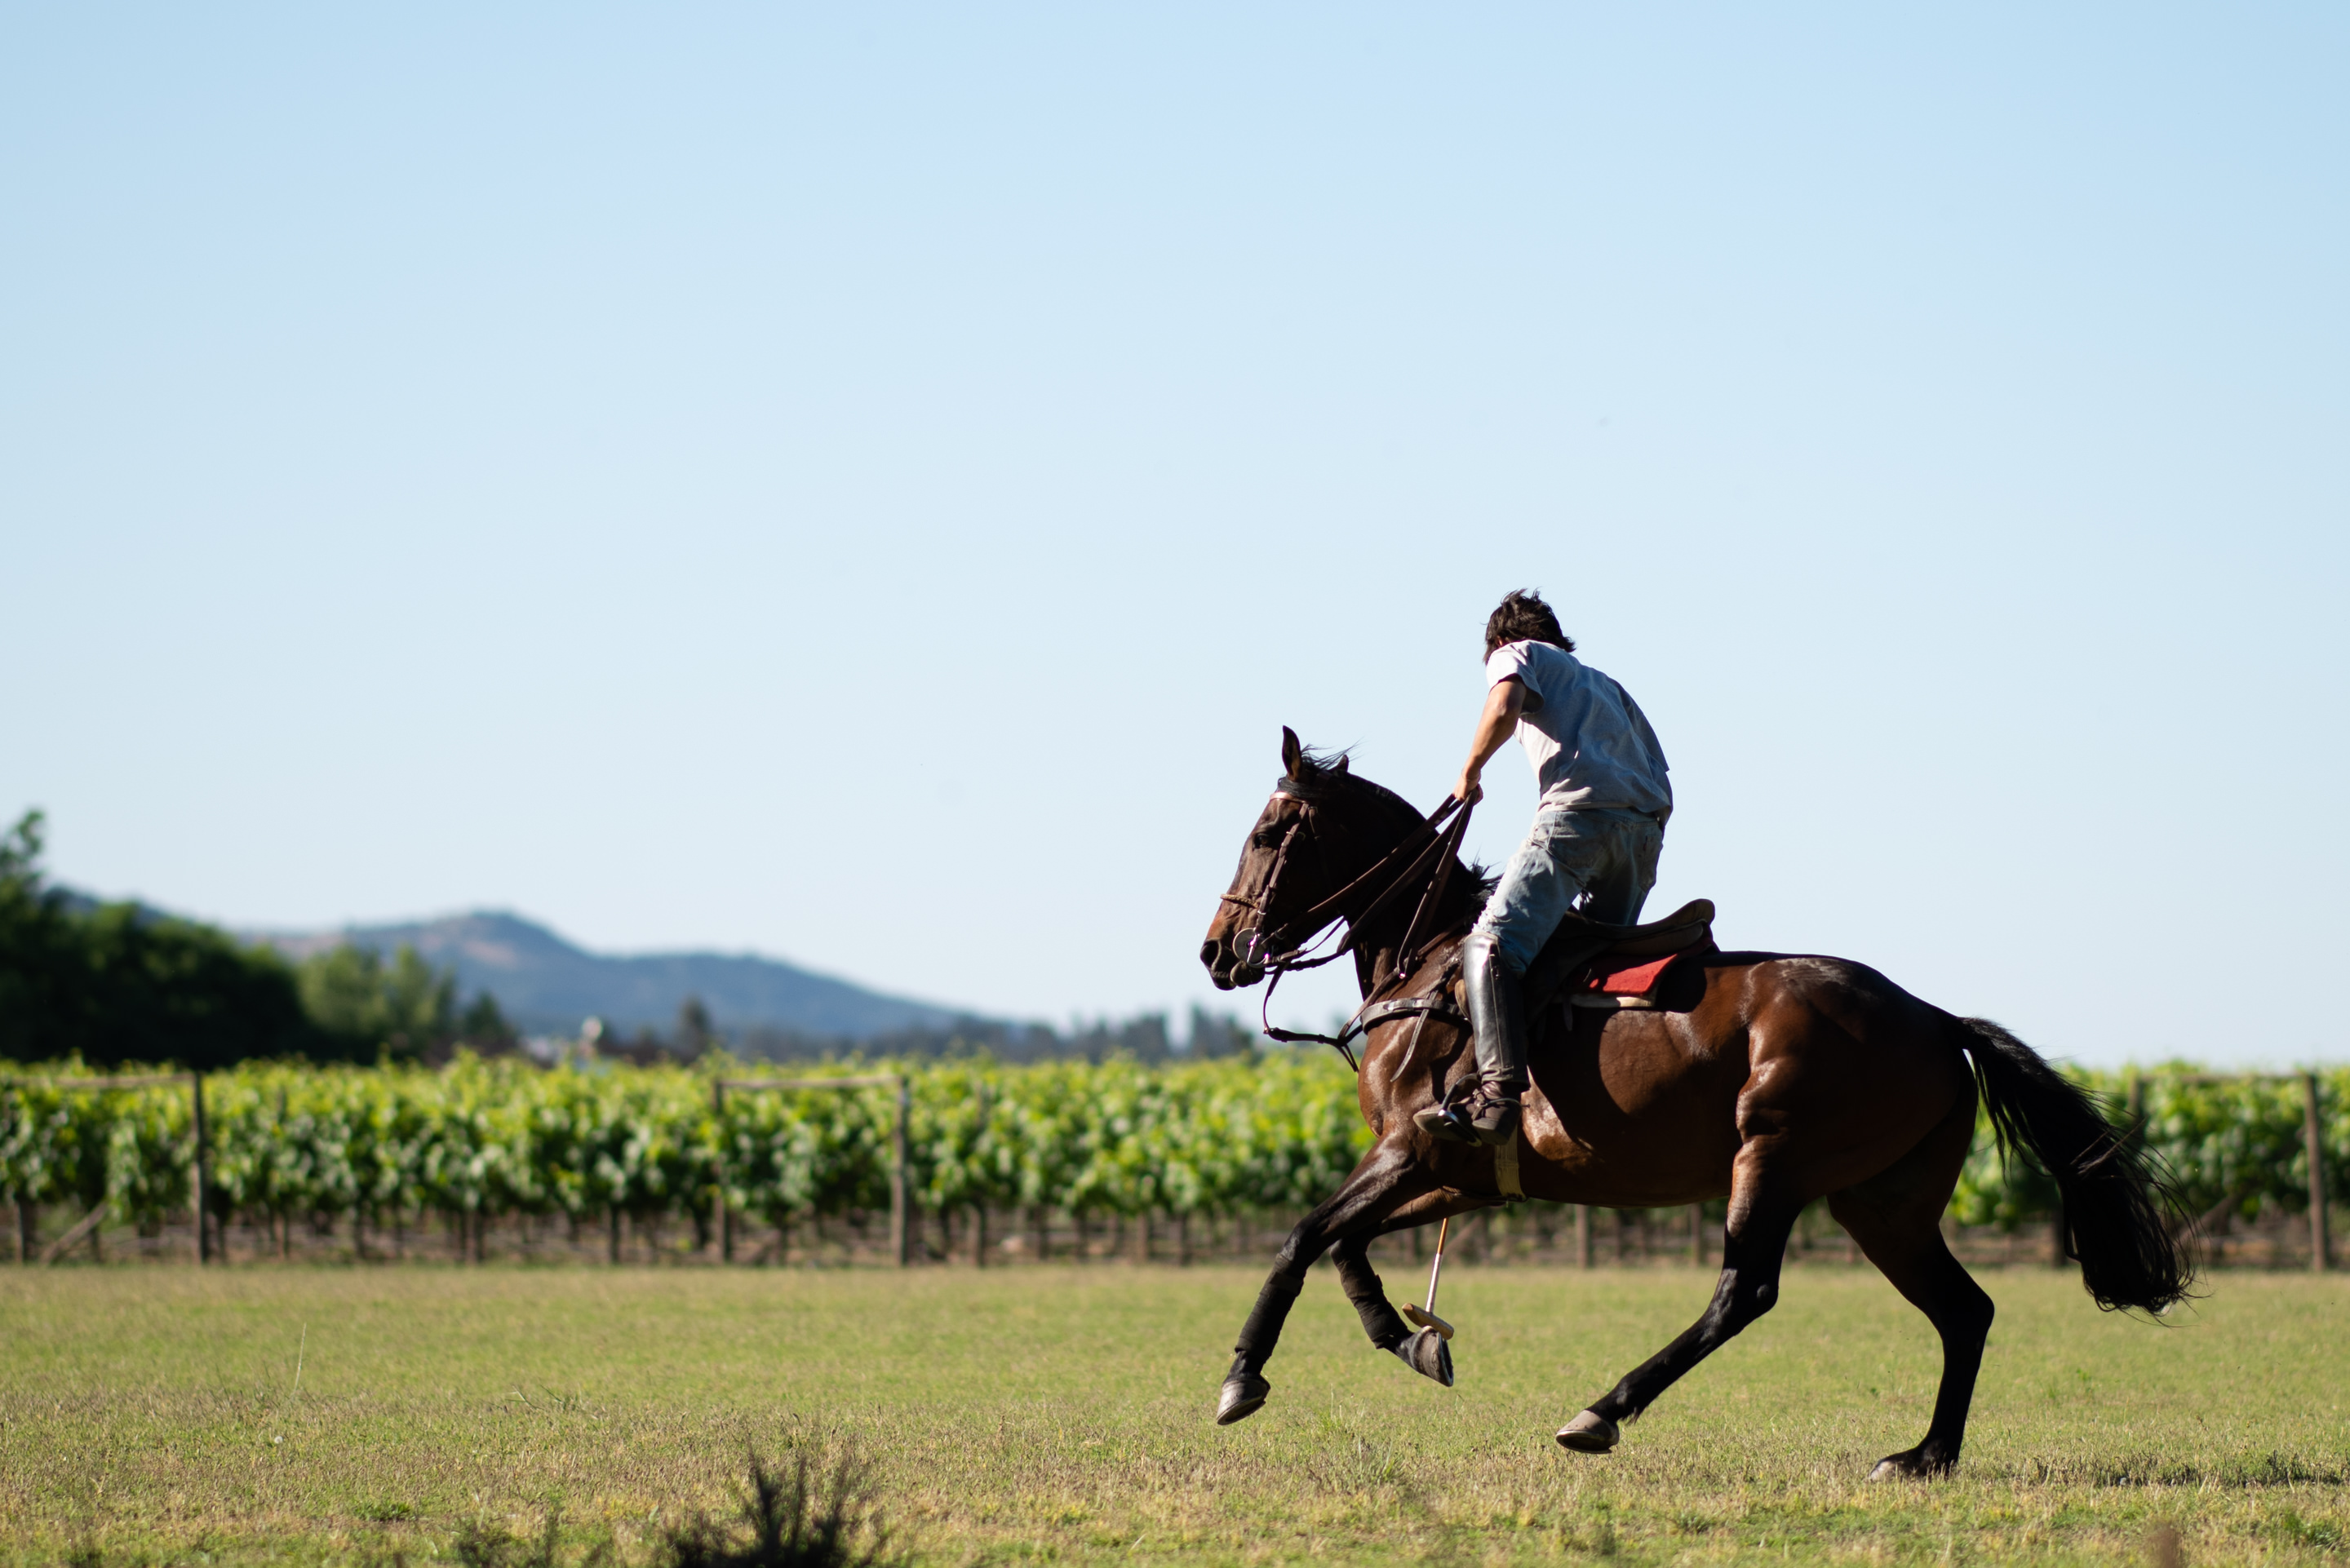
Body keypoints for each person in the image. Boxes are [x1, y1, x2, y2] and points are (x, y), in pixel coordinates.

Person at [1414, 590, 1673, 1147]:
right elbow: (1660, 771)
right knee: (1588, 959)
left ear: (1501, 643)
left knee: (1490, 946)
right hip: (1643, 835)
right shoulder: (1610, 687)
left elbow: (1504, 704)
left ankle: (1495, 1096)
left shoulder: (1516, 652)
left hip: (1577, 822)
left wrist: (1471, 769)